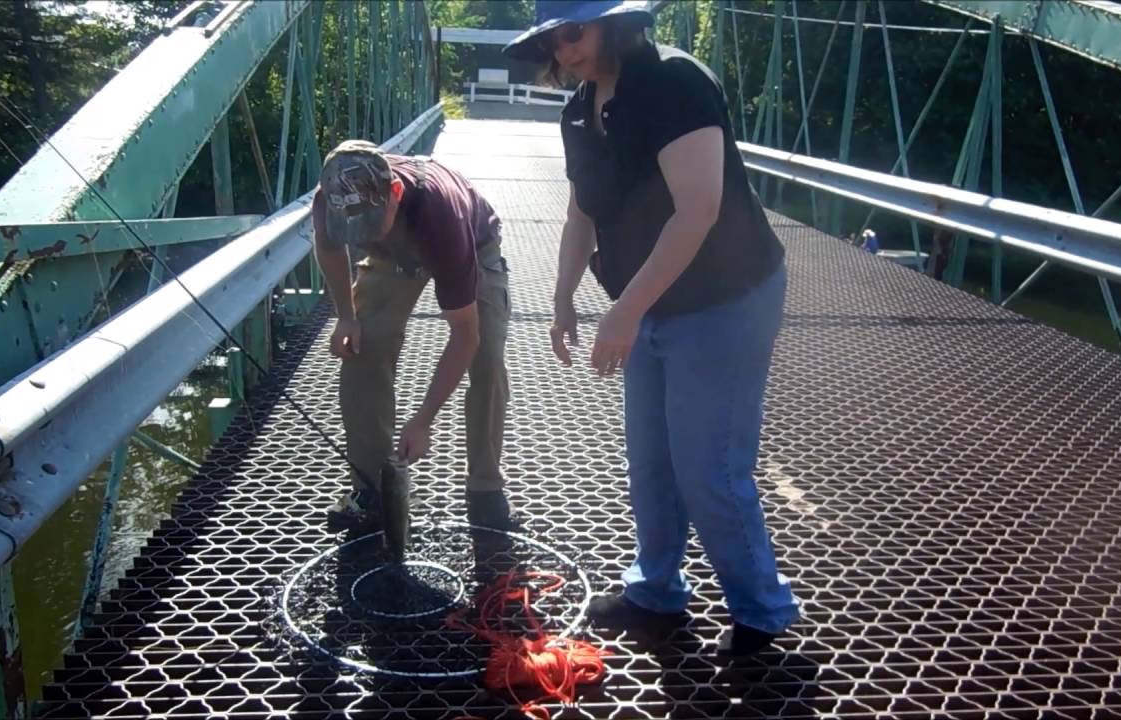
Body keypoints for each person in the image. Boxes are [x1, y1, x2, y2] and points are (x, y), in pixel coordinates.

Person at [504, 1, 802, 658]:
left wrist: (626, 309)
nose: (563, 50)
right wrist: (562, 299)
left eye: (573, 32)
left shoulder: (675, 83)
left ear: (614, 23)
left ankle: (761, 612)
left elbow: (697, 212)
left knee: (711, 469)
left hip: (724, 297)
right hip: (648, 306)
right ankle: (657, 592)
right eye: (551, 40)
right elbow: (582, 214)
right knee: (650, 462)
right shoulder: (579, 110)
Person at [310, 140, 515, 532]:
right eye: (352, 227)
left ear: (396, 194)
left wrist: (423, 419)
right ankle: (372, 487)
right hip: (392, 259)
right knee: (363, 345)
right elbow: (330, 247)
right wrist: (346, 317)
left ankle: (485, 487)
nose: (359, 234)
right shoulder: (330, 196)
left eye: (369, 224)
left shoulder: (442, 217)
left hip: (473, 245)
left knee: (487, 357)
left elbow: (464, 334)